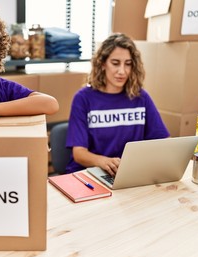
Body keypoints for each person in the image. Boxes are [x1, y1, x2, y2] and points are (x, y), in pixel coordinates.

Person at [65, 33, 169, 175]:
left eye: (128, 64)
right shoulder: (83, 99)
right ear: (102, 64)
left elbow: (163, 142)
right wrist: (103, 161)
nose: (122, 71)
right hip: (90, 174)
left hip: (127, 173)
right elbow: (79, 153)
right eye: (115, 63)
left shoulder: (140, 97)